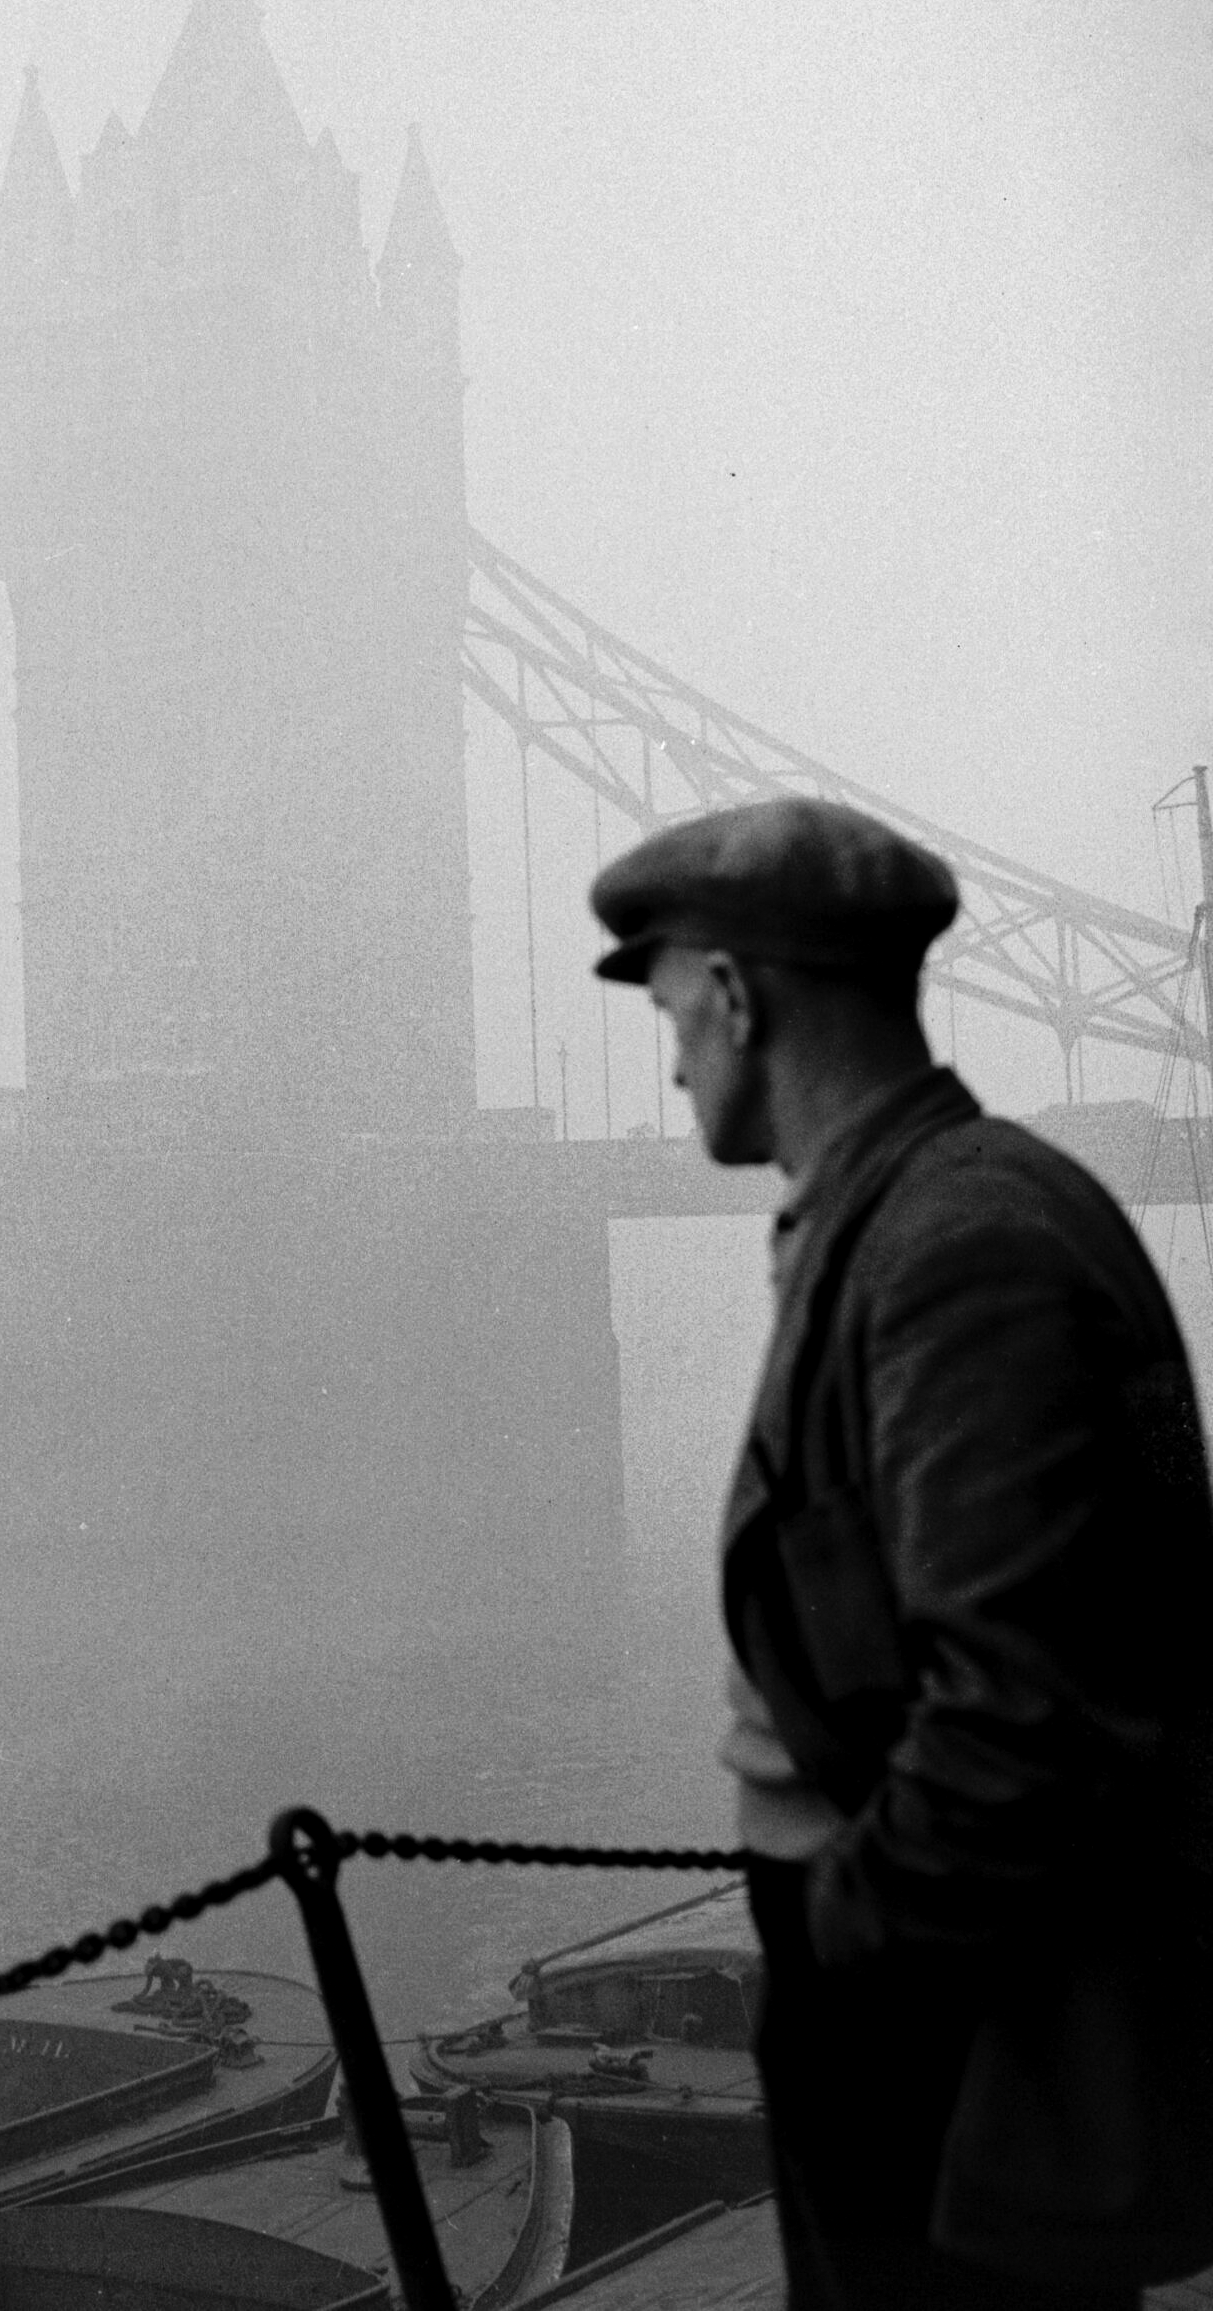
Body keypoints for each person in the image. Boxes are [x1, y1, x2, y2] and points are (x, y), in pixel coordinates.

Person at [589, 797, 1213, 2309]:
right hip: (929, 1988)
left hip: (943, 2023)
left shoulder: (960, 1248)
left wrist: (843, 1953)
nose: (669, 1055)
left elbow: (1019, 1705)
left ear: (735, 996)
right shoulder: (903, 1210)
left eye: (672, 1008)